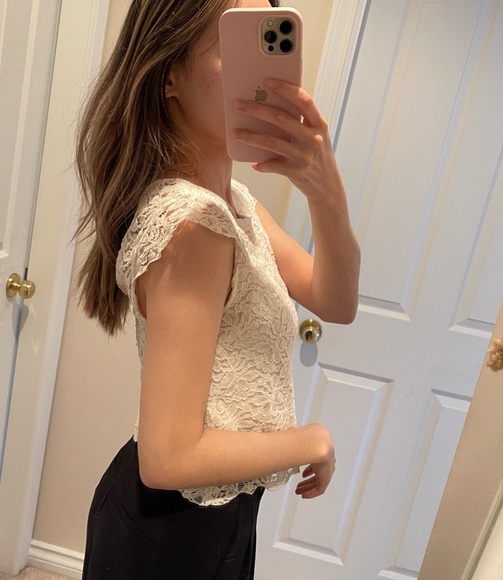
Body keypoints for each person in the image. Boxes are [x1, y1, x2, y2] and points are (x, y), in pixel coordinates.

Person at [75, 0, 360, 577]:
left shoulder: (235, 205)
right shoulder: (195, 224)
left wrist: (327, 194)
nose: (265, 78)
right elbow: (169, 457)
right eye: (236, 45)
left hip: (208, 520)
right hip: (173, 536)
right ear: (169, 74)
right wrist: (312, 440)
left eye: (268, 44)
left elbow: (336, 300)